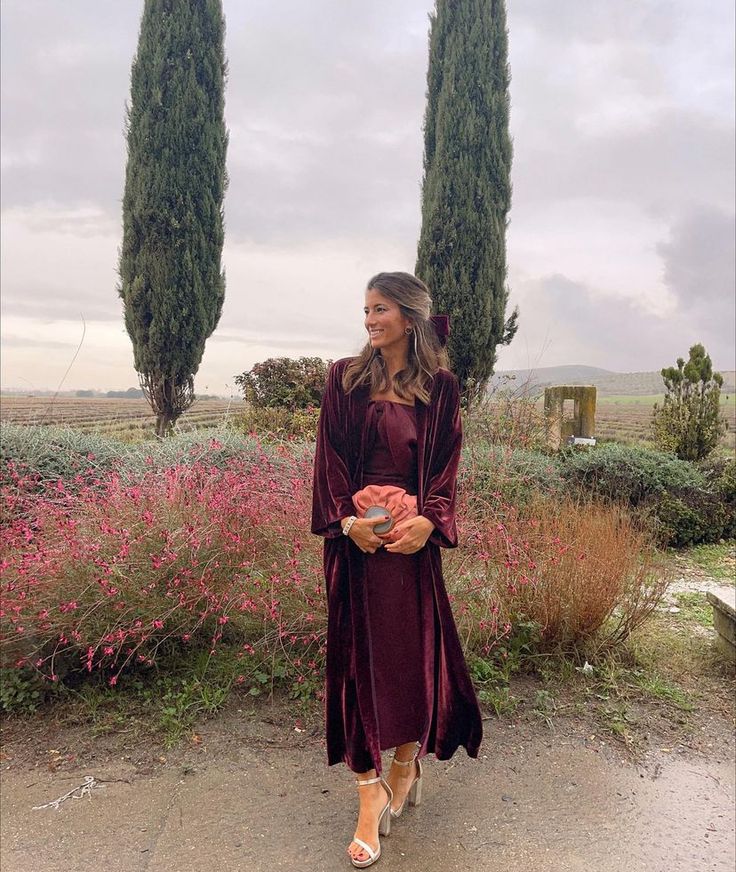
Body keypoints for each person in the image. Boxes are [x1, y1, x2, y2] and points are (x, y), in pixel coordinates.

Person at [311, 271, 483, 868]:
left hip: (409, 552)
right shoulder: (345, 378)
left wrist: (430, 523)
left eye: (379, 309)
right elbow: (329, 458)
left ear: (408, 318)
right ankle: (368, 792)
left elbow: (445, 468)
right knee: (356, 665)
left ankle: (406, 766)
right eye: (365, 309)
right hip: (355, 550)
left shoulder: (441, 388)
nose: (368, 320)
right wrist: (344, 521)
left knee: (407, 664)